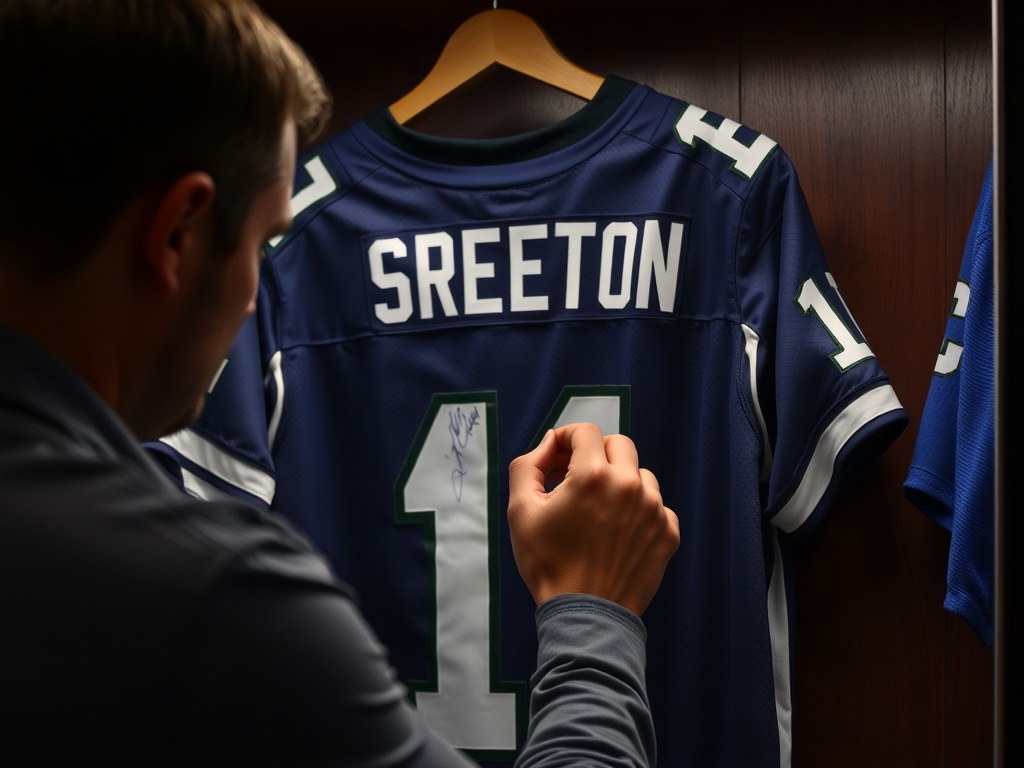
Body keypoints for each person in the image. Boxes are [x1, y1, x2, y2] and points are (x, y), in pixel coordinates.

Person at [0, 1, 680, 766]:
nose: (258, 295)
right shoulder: (214, 601)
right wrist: (591, 611)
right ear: (180, 234)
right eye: (263, 241)